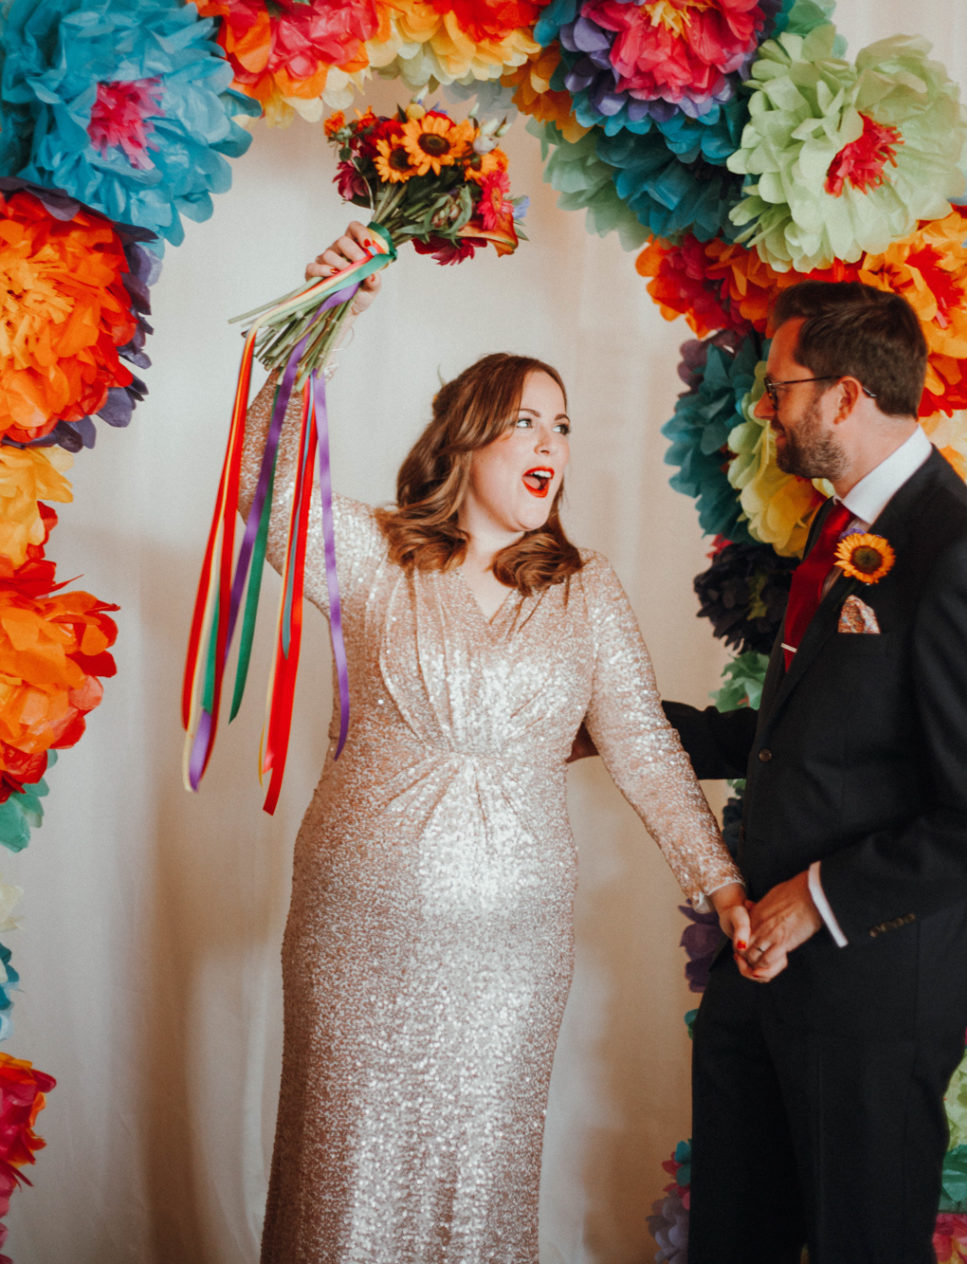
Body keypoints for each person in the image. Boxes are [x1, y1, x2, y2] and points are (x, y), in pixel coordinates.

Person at [245, 222, 748, 1264]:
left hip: (510, 959)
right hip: (355, 931)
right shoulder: (379, 557)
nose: (551, 447)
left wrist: (724, 886)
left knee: (476, 1184)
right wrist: (313, 329)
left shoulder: (585, 587)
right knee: (345, 1179)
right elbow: (264, 495)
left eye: (562, 426)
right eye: (524, 423)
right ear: (465, 439)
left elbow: (648, 750)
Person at [665, 279, 967, 1264]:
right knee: (735, 1239)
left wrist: (815, 899)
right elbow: (811, 739)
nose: (768, 411)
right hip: (764, 984)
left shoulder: (955, 554)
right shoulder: (839, 530)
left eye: (780, 388)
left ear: (846, 395)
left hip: (873, 996)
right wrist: (641, 731)